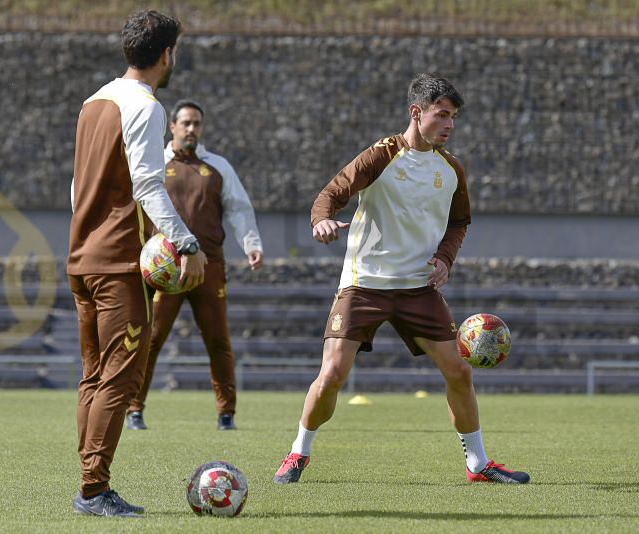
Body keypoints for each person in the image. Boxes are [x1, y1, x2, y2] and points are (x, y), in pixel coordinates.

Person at [273, 73, 530, 485]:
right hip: (364, 285)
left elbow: (459, 223)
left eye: (453, 117)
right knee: (333, 375)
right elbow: (330, 195)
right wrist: (321, 221)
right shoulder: (381, 155)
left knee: (460, 373)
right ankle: (297, 453)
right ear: (416, 112)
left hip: (418, 288)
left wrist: (445, 259)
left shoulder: (451, 169)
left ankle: (478, 464)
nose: (449, 124)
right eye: (441, 115)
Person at [67, 10, 208, 518]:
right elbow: (148, 184)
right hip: (117, 263)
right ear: (166, 54)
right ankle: (93, 490)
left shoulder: (93, 102)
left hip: (82, 257)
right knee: (121, 378)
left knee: (94, 375)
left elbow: (78, 187)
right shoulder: (146, 107)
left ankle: (90, 483)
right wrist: (186, 244)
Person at [126, 100, 264, 432]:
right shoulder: (154, 164)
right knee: (150, 340)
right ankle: (134, 410)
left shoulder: (217, 166)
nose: (191, 129)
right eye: (186, 123)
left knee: (218, 341)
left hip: (209, 266)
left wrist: (252, 244)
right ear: (172, 126)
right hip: (164, 271)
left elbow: (239, 208)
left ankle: (226, 414)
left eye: (197, 123)